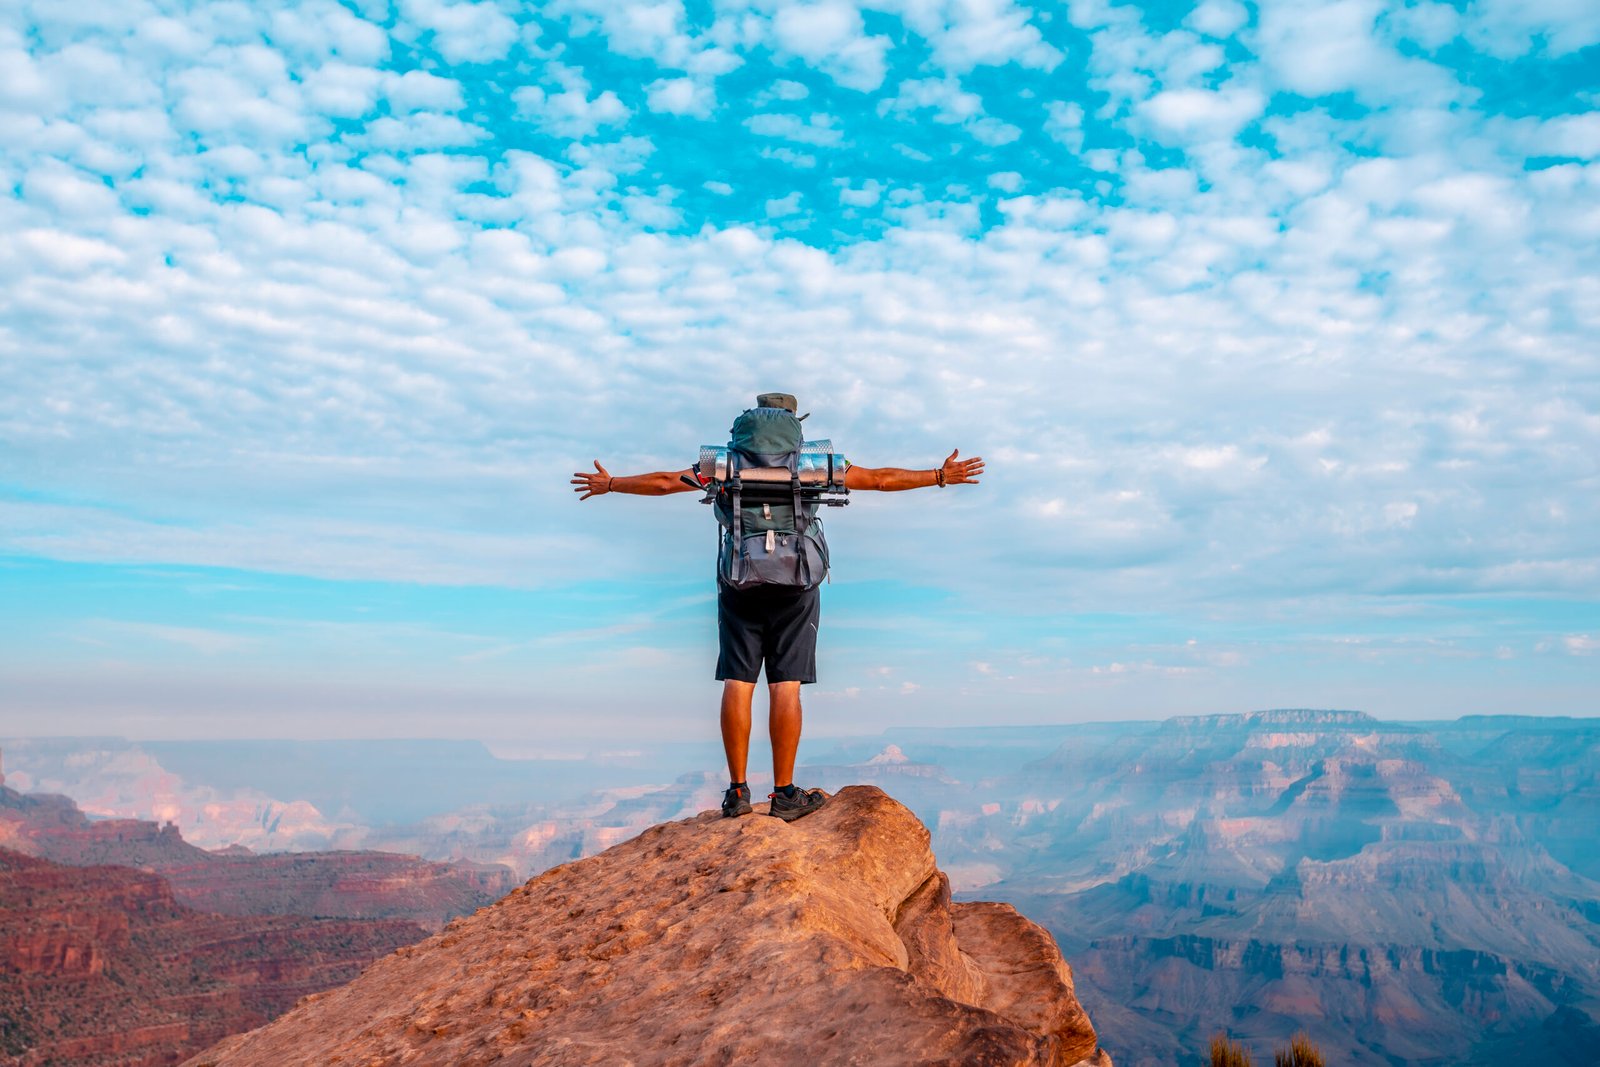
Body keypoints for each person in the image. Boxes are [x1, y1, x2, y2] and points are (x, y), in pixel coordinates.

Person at [571, 392, 983, 822]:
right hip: (797, 584)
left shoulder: (723, 464)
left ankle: (737, 792)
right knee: (785, 686)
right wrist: (938, 475)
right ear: (793, 425)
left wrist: (612, 483)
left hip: (739, 581)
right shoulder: (813, 465)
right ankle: (784, 795)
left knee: (738, 680)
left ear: (745, 426)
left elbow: (662, 483)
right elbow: (880, 479)